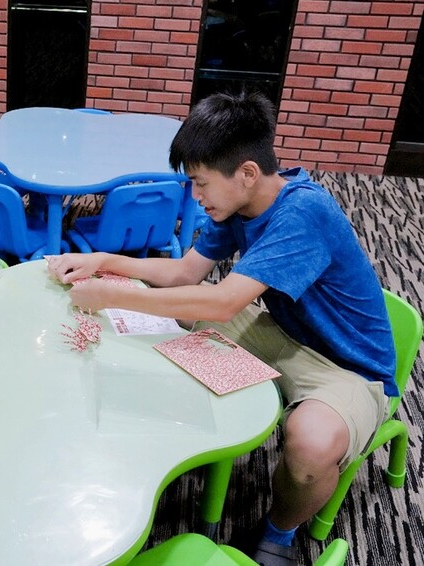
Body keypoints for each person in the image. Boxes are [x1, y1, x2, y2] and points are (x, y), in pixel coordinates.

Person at [46, 91, 395, 566]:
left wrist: (112, 293)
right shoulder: (238, 204)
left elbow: (225, 300)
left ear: (247, 173)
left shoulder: (302, 212)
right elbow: (186, 274)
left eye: (200, 183)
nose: (195, 195)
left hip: (348, 367)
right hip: (283, 332)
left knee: (311, 442)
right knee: (183, 311)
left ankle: (280, 533)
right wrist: (102, 261)